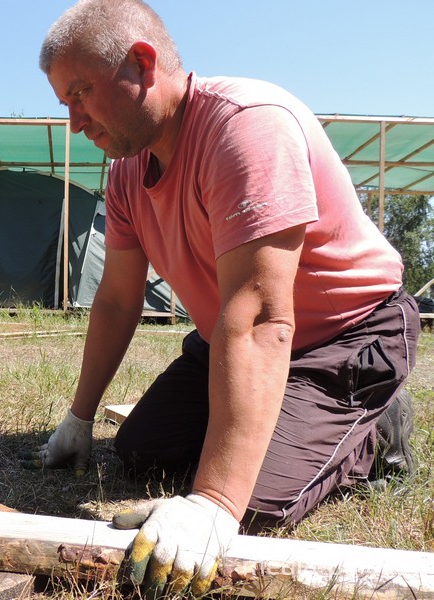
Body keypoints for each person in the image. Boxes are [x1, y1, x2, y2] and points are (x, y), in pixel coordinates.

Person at [21, 0, 420, 596]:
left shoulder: (247, 126)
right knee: (140, 452)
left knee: (250, 504)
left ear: (142, 62)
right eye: (65, 104)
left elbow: (261, 316)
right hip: (226, 340)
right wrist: (80, 419)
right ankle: (270, 413)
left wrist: (213, 502)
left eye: (82, 93)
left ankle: (375, 425)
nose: (75, 122)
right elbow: (115, 300)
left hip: (346, 334)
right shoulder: (128, 170)